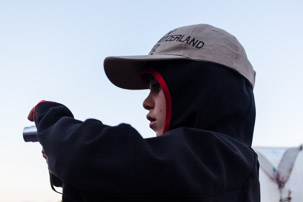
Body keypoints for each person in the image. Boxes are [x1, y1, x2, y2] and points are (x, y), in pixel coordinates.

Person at [28, 24, 260, 201]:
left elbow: (86, 155)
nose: (146, 102)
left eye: (156, 86)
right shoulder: (199, 170)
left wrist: (50, 117)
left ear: (198, 88)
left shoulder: (225, 159)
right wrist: (69, 175)